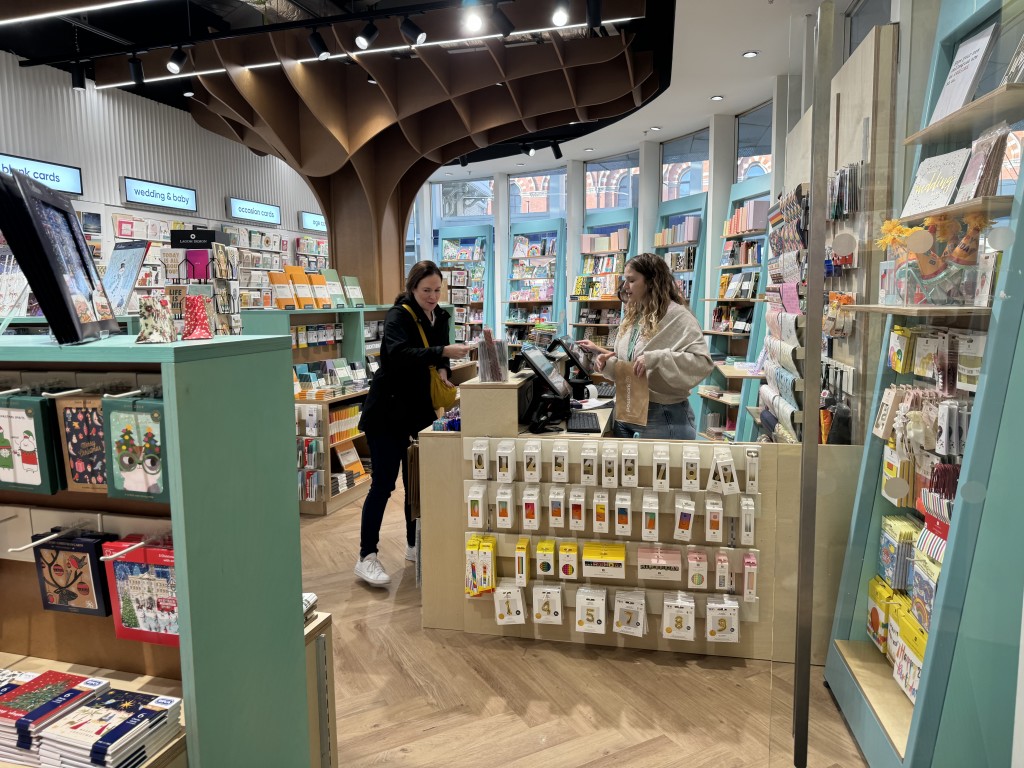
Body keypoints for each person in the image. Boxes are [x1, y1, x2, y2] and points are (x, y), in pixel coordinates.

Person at [354, 261, 471, 587]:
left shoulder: (441, 316)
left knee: (417, 482)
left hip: (418, 408)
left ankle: (413, 543)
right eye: (426, 291)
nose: (433, 296)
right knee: (384, 484)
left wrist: (444, 370)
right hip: (387, 412)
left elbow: (440, 359)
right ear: (412, 288)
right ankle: (366, 556)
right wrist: (442, 350)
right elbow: (399, 354)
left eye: (437, 290)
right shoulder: (398, 316)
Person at [578, 252, 712, 440]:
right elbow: (631, 362)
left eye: (632, 280)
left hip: (663, 416)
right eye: (625, 280)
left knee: (663, 470)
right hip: (627, 409)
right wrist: (608, 364)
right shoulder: (635, 314)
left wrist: (657, 358)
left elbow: (702, 363)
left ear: (651, 282)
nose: (625, 287)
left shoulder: (678, 317)